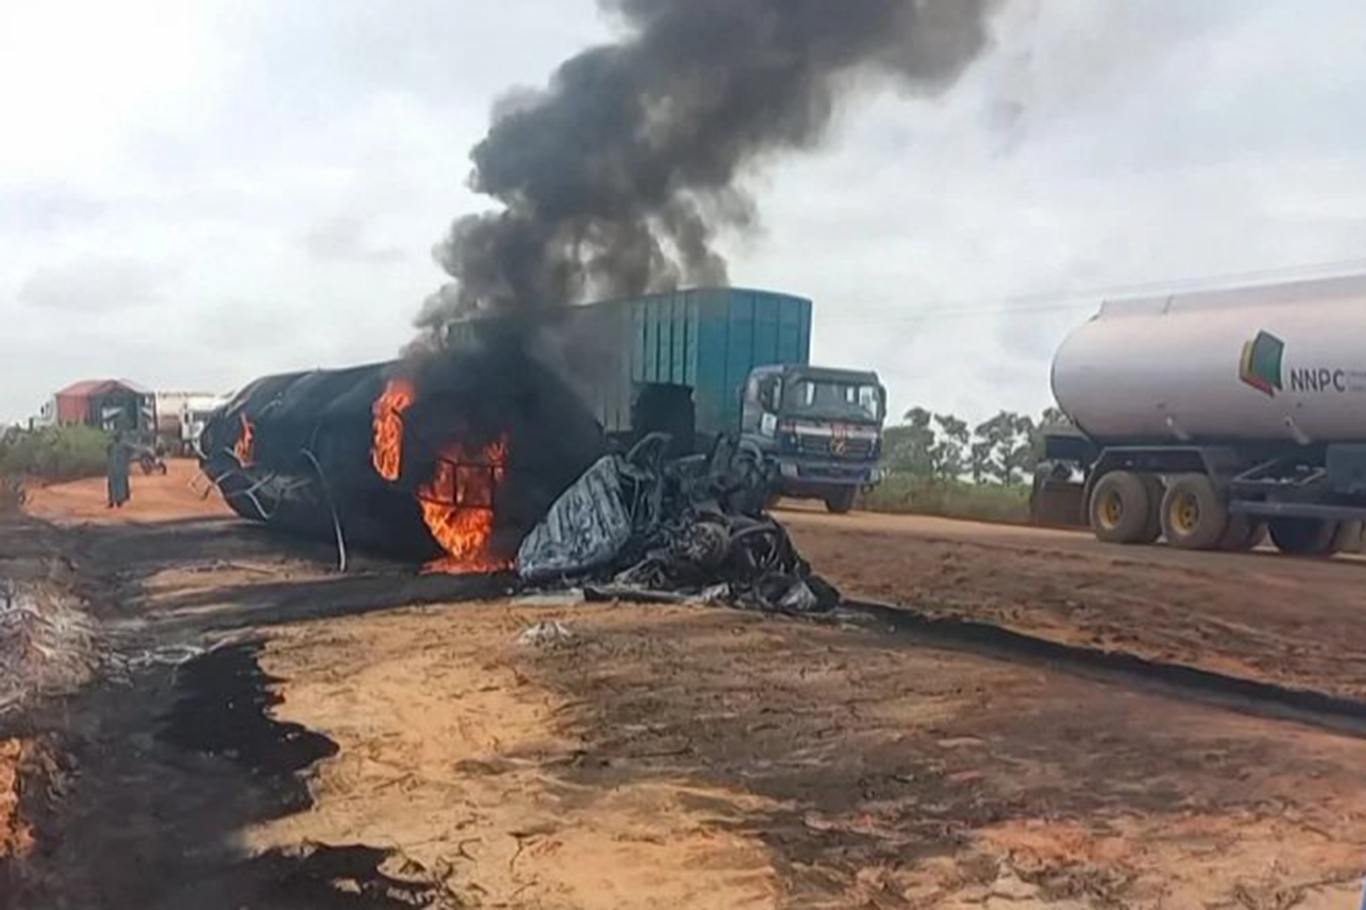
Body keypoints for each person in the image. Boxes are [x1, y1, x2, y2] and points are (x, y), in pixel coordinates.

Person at [107, 431, 131, 509]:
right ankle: (112, 501)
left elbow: (132, 450)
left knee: (119, 485)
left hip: (120, 467)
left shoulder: (124, 445)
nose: (116, 437)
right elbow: (108, 453)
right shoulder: (111, 445)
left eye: (117, 436)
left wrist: (126, 460)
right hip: (113, 467)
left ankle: (118, 501)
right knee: (112, 485)